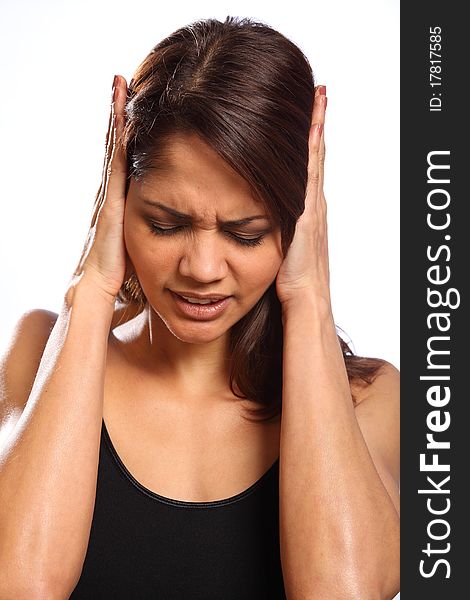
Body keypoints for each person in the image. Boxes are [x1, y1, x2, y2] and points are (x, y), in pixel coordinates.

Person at [0, 15, 400, 600]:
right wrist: (90, 291)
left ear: (296, 225)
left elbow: (342, 592)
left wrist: (310, 299)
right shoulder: (42, 352)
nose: (202, 269)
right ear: (118, 201)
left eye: (247, 234)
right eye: (166, 224)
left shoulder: (369, 395)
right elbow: (15, 584)